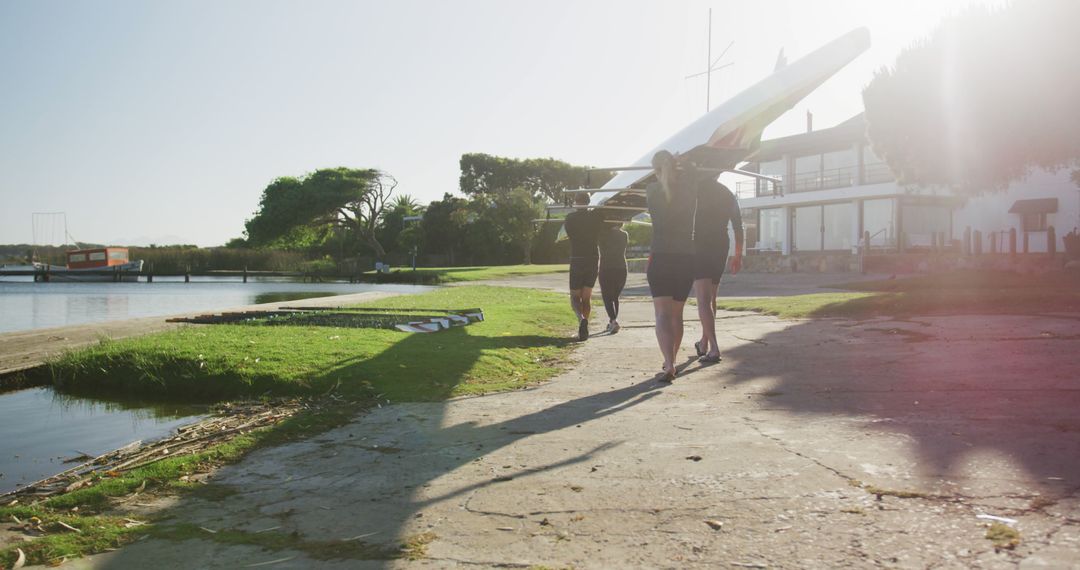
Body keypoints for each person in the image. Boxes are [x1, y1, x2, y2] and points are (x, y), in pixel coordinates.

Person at [645, 150, 697, 382]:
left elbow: (659, 180)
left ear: (656, 170)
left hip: (661, 257)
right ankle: (671, 361)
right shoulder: (688, 188)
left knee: (662, 315)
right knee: (677, 315)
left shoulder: (651, 191)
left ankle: (669, 363)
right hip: (685, 257)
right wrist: (683, 163)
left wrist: (671, 165)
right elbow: (693, 174)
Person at [691, 178, 744, 363]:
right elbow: (738, 227)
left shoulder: (695, 190)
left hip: (700, 245)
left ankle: (714, 348)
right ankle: (704, 342)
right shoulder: (727, 192)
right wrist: (738, 255)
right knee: (711, 297)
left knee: (703, 299)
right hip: (721, 244)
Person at [563, 193, 603, 341]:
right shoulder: (597, 217)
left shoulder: (570, 218)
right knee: (586, 297)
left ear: (575, 202)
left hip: (577, 258)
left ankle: (581, 320)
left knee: (574, 297)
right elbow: (602, 216)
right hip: (593, 259)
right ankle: (583, 328)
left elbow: (569, 234)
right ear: (588, 201)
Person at [598, 220, 629, 334]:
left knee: (607, 296)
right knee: (615, 296)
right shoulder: (624, 235)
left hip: (606, 268)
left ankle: (613, 321)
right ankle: (612, 321)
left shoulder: (602, 235)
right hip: (621, 268)